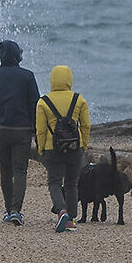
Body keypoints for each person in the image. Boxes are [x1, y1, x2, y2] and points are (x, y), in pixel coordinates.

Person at [0, 39, 40, 225]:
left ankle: (8, 210)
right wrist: (36, 130)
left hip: (1, 130)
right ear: (16, 55)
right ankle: (16, 210)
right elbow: (35, 105)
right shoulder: (27, 76)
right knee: (20, 170)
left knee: (5, 170)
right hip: (22, 130)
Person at [35, 64, 91, 232]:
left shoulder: (43, 102)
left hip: (52, 148)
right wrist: (84, 144)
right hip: (75, 148)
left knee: (54, 182)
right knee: (72, 183)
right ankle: (71, 220)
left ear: (52, 80)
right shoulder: (79, 99)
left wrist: (41, 148)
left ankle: (61, 211)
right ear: (69, 80)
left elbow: (40, 130)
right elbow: (86, 126)